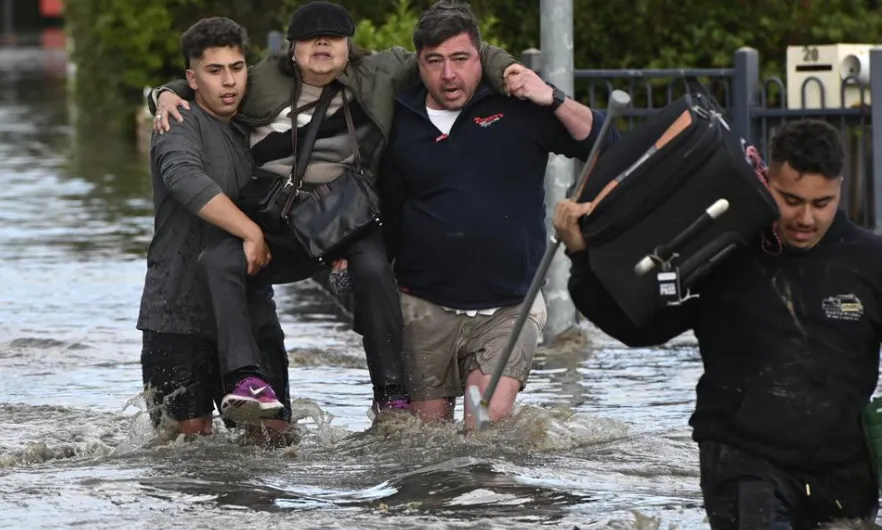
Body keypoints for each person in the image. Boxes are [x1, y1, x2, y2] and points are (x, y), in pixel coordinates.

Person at [147, 1, 520, 417]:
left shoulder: (381, 71)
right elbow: (210, 80)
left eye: (333, 37)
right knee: (217, 259)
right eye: (310, 38)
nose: (321, 44)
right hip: (278, 217)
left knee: (375, 269)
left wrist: (508, 71)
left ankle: (389, 391)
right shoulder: (259, 80)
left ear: (348, 46)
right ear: (292, 49)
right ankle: (243, 378)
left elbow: (461, 51)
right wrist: (162, 95)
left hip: (344, 215)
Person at [554, 119, 882, 529]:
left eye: (821, 203)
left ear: (840, 188)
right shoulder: (723, 249)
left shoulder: (871, 261)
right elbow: (640, 328)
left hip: (845, 473)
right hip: (743, 461)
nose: (805, 218)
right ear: (767, 179)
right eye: (790, 199)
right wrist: (582, 259)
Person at [377, 0, 620, 430]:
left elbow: (604, 140)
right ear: (419, 63)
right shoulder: (399, 115)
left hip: (510, 306)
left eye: (460, 59)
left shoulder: (518, 106)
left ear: (480, 57)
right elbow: (389, 211)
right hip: (423, 308)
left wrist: (554, 97)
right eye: (435, 61)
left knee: (483, 429)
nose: (448, 74)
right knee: (422, 445)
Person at [138, 16, 292, 442]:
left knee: (275, 439)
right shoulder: (177, 122)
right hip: (177, 313)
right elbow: (185, 179)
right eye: (214, 71)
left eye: (237, 68)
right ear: (192, 77)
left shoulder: (256, 123)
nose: (229, 82)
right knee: (186, 448)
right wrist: (251, 232)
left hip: (251, 305)